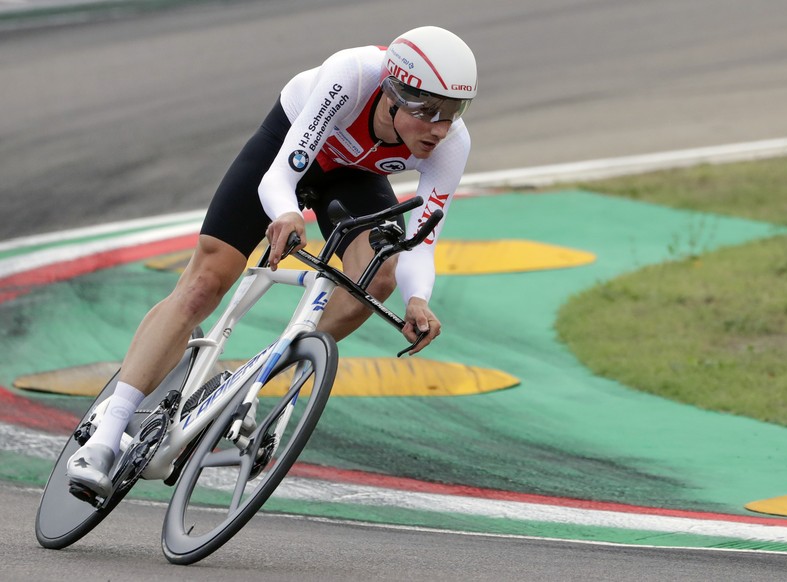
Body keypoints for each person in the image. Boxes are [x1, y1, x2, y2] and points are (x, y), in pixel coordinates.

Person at [66, 25, 478, 497]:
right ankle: (104, 435)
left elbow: (421, 244)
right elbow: (280, 175)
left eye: (453, 113)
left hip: (351, 178)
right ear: (392, 92)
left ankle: (257, 376)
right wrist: (287, 212)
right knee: (205, 282)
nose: (440, 128)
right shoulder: (354, 74)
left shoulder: (452, 145)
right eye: (429, 112)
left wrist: (419, 300)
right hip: (289, 148)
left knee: (377, 275)